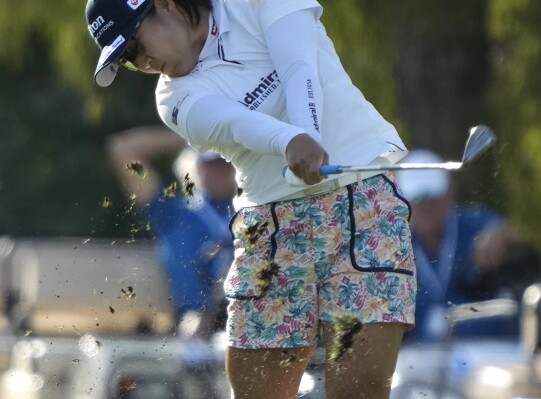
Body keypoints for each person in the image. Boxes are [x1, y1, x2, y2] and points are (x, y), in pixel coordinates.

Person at [86, 1, 416, 398]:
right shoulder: (173, 101)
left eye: (136, 46)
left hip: (362, 201)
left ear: (167, 5)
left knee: (360, 389)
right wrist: (292, 140)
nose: (143, 63)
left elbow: (299, 67)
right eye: (128, 61)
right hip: (272, 228)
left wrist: (306, 132)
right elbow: (237, 124)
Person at [395, 149, 541, 343]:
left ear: (449, 191)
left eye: (434, 194)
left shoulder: (474, 224)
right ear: (403, 201)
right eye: (419, 197)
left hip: (486, 349)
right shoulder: (395, 246)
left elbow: (515, 233)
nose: (428, 204)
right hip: (421, 356)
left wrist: (501, 235)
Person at [107, 125, 237, 339]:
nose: (220, 171)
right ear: (194, 165)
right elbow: (122, 149)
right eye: (211, 164)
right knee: (194, 326)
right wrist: (193, 135)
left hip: (248, 317)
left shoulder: (252, 210)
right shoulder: (173, 212)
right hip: (196, 322)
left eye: (225, 164)